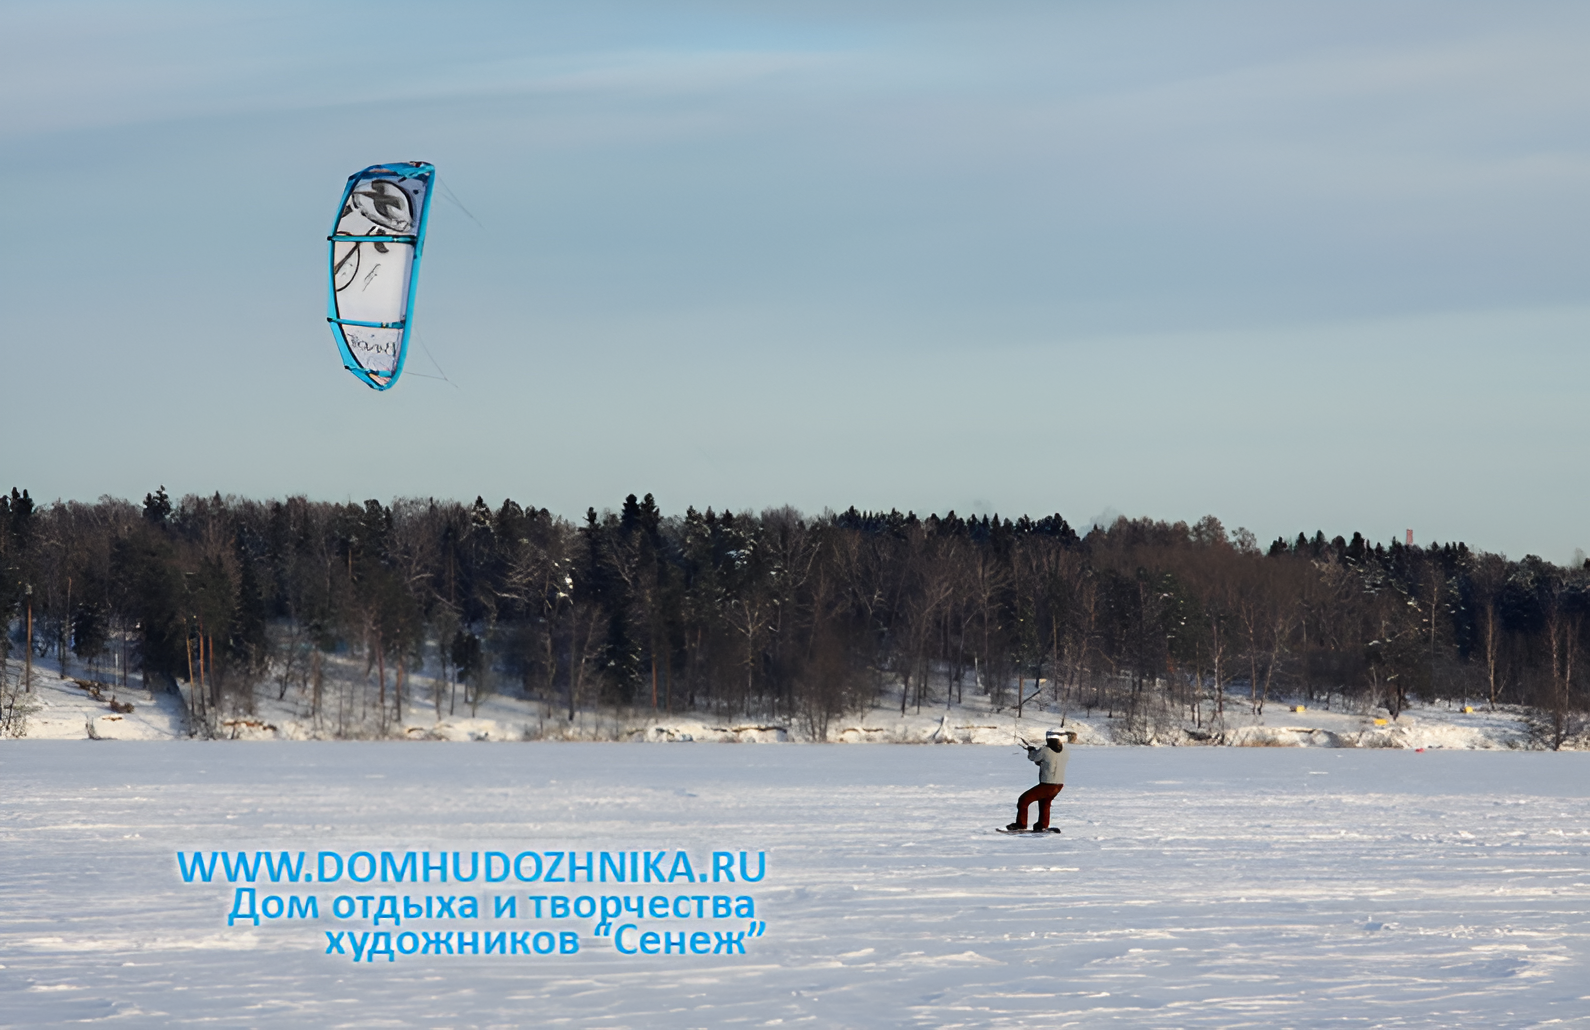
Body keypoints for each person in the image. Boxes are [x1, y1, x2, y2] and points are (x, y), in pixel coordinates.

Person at [1008, 728, 1072, 832]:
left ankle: (1021, 824)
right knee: (1045, 802)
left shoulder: (1045, 750)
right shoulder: (1066, 752)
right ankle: (1042, 825)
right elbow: (1051, 761)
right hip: (1059, 784)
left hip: (1047, 784)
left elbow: (1034, 757)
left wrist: (1031, 750)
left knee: (1023, 801)